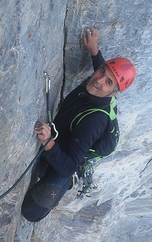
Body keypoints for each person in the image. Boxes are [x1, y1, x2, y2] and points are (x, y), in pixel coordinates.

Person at [21, 27, 136, 222]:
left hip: (69, 160)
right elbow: (103, 70)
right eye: (101, 71)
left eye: (108, 82)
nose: (98, 80)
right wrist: (94, 51)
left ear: (113, 93)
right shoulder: (99, 84)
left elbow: (67, 165)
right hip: (66, 137)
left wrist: (48, 142)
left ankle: (69, 181)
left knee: (32, 212)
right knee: (44, 163)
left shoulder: (94, 121)